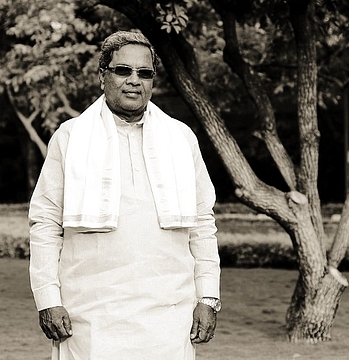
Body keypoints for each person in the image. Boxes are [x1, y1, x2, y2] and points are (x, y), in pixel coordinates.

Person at [28, 30, 222, 360]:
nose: (134, 81)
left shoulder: (180, 137)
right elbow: (45, 223)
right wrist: (48, 298)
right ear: (103, 75)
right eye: (123, 70)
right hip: (90, 316)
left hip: (169, 315)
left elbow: (203, 223)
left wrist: (207, 297)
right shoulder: (71, 137)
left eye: (144, 73)